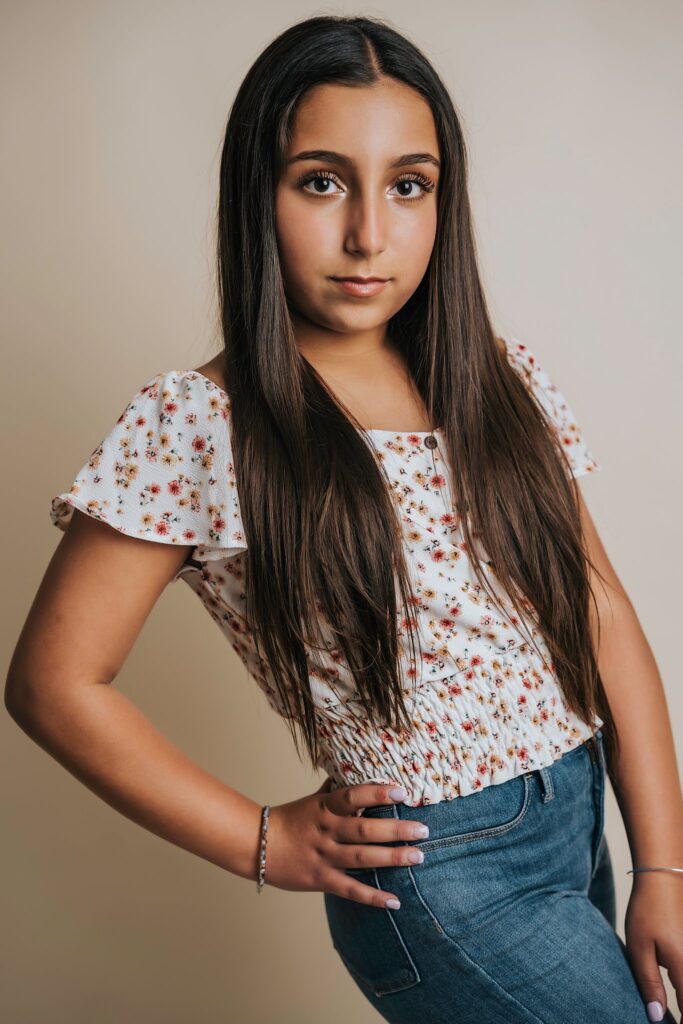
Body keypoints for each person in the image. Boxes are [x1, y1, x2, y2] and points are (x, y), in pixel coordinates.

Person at [5, 14, 682, 1024]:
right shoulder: (202, 422)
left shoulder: (490, 380)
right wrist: (259, 840)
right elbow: (51, 682)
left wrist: (661, 864)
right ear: (256, 194)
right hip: (442, 876)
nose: (368, 232)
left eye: (406, 185)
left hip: (578, 812)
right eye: (320, 181)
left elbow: (601, 614)